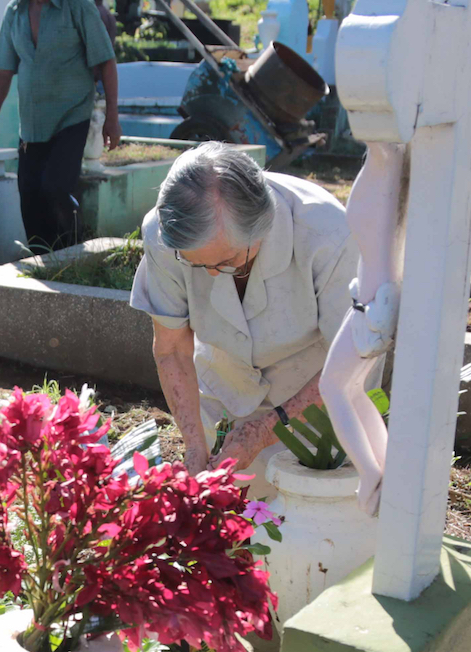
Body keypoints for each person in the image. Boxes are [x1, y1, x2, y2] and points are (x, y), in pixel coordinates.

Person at [129, 141, 400, 498]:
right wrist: (194, 446)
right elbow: (172, 350)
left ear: (262, 228)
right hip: (226, 388)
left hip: (318, 399)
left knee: (310, 517)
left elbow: (355, 361)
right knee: (232, 516)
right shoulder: (165, 235)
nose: (212, 275)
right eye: (196, 264)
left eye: (227, 262)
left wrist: (266, 428)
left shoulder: (330, 236)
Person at [0, 0, 121, 253]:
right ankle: (44, 262)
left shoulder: (78, 5)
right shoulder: (15, 12)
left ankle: (75, 252)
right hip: (32, 125)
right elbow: (2, 71)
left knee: (56, 187)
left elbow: (106, 61)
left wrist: (112, 117)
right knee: (29, 194)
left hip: (71, 117)